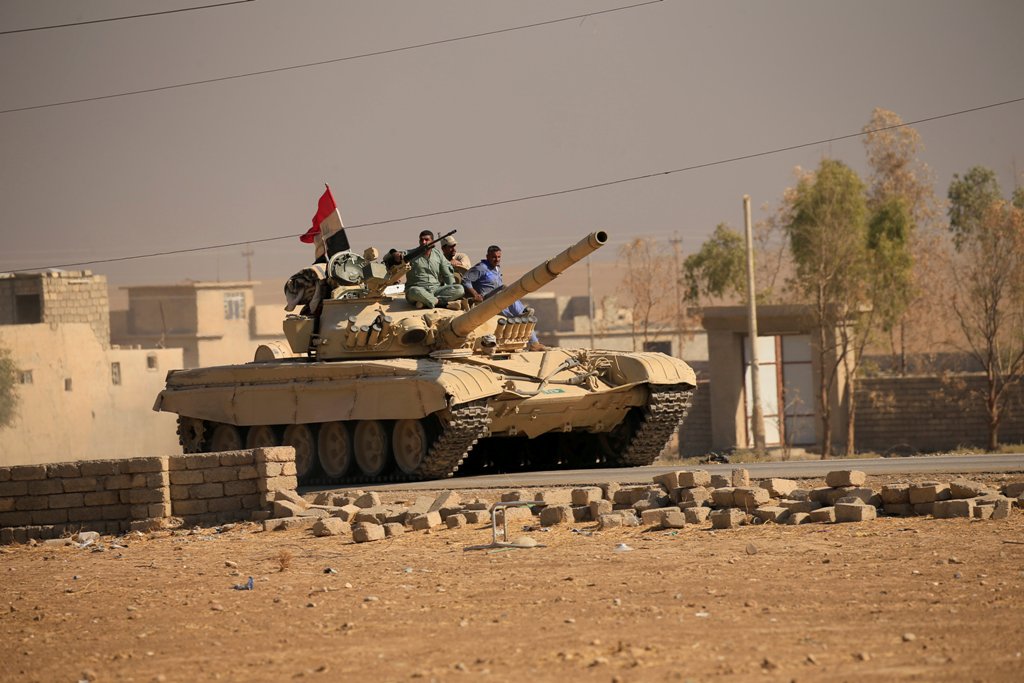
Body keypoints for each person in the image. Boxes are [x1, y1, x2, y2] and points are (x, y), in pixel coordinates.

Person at [463, 245, 547, 350]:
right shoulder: (481, 268)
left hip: (499, 298)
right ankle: (520, 314)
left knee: (523, 315)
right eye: (494, 257)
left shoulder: (497, 269)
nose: (497, 259)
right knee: (505, 290)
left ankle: (534, 342)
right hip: (487, 300)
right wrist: (475, 294)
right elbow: (465, 280)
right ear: (487, 256)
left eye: (499, 257)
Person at [403, 230, 465, 309]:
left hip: (435, 290)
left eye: (426, 240)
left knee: (460, 289)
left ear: (432, 241)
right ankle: (442, 304)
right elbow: (394, 257)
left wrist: (452, 289)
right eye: (421, 240)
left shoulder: (438, 255)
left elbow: (448, 275)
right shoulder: (410, 254)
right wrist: (395, 254)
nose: (423, 242)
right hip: (418, 290)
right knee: (413, 291)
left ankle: (426, 301)